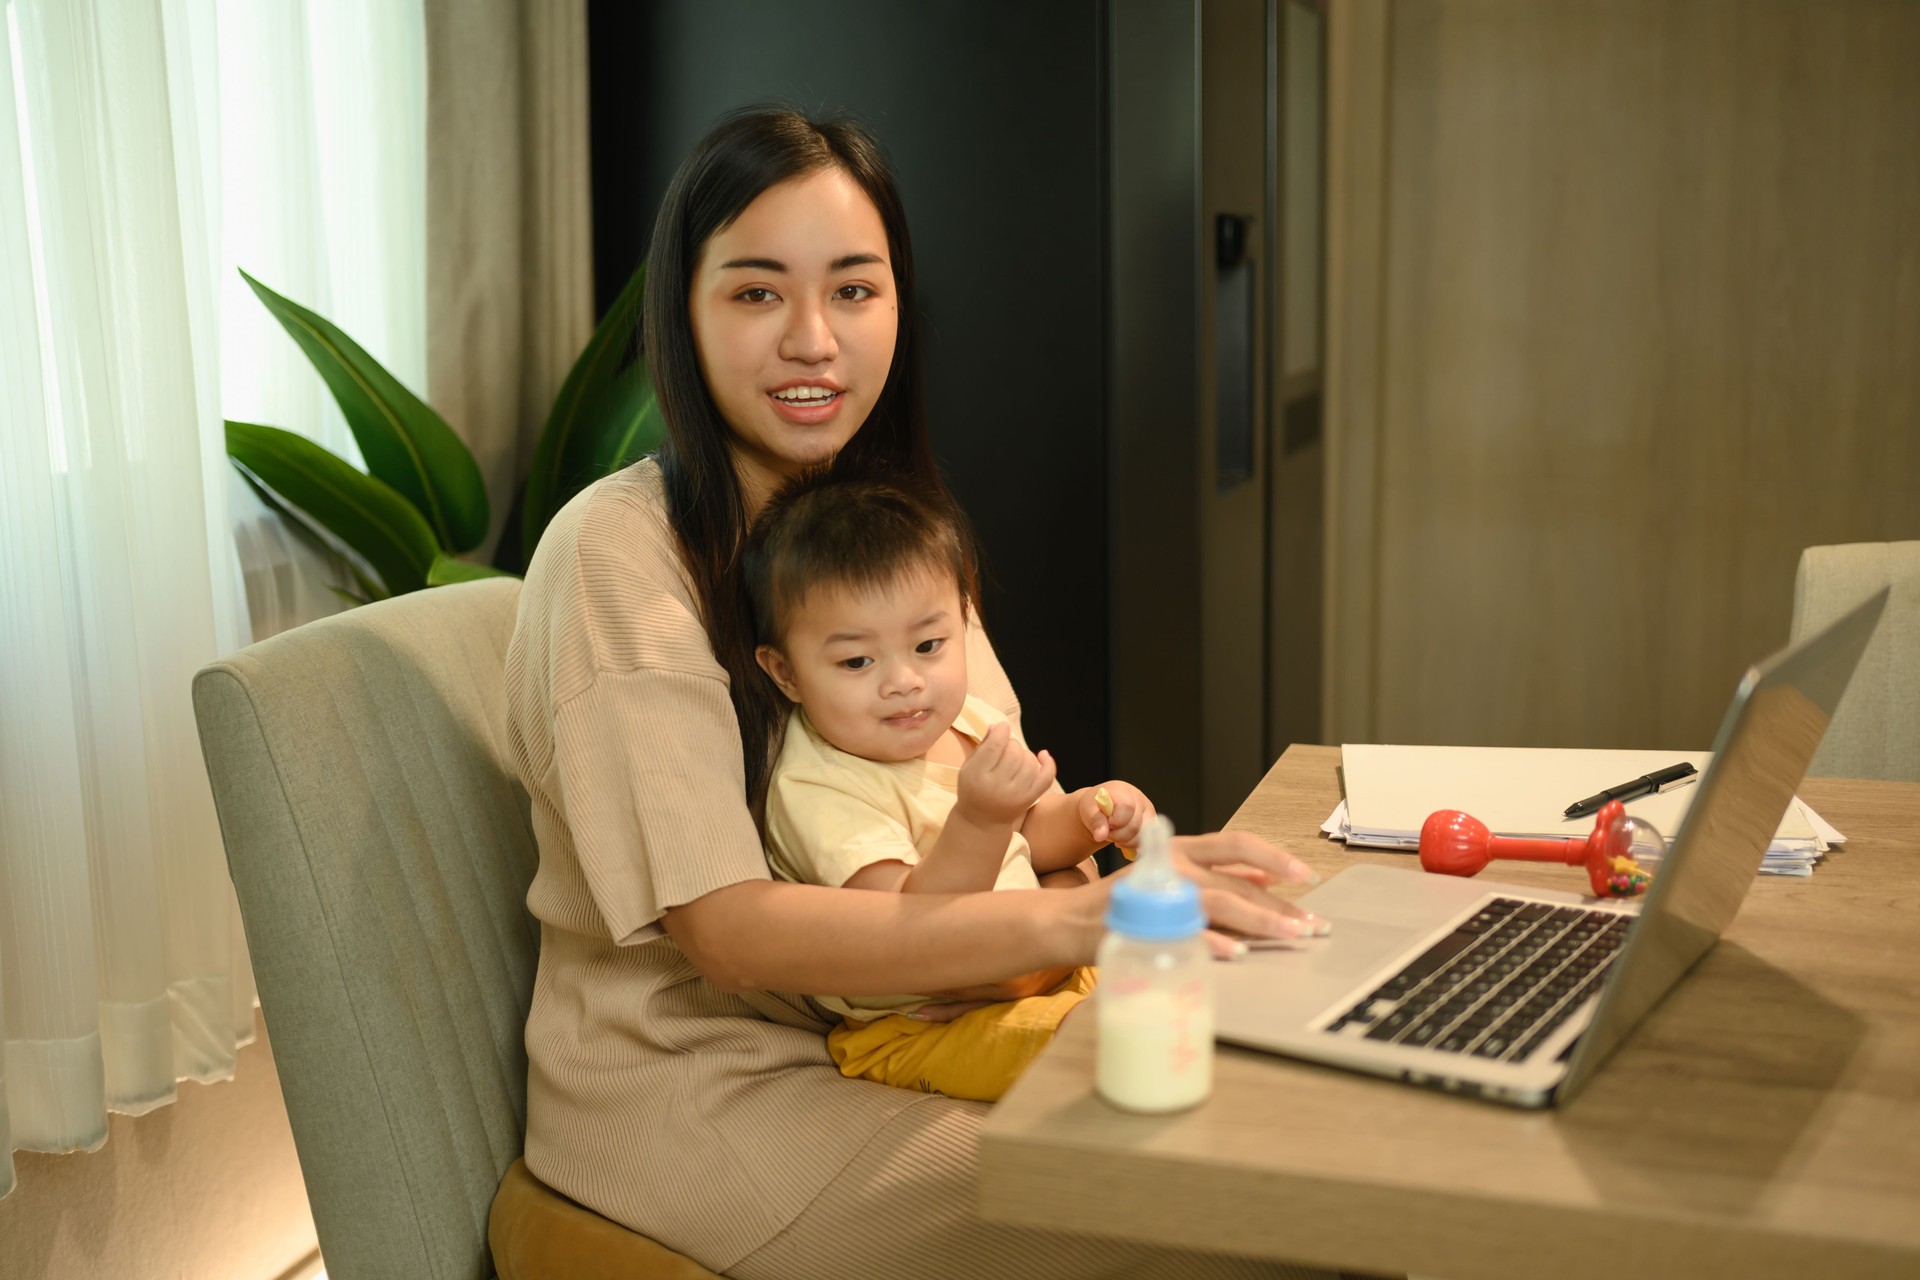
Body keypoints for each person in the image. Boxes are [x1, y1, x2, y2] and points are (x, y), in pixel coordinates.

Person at [504, 105, 1333, 1279]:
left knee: (1300, 1090)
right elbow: (728, 933)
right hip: (709, 1088)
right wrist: (1085, 919)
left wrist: (1145, 871)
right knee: (1256, 1201)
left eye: (854, 289)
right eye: (756, 292)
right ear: (682, 312)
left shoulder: (884, 533)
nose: (812, 339)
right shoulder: (620, 551)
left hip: (927, 1024)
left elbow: (997, 831)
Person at [744, 474, 1153, 1102]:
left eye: (928, 645)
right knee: (1118, 1047)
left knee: (1200, 986)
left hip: (1044, 967)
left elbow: (1034, 838)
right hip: (925, 1023)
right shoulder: (818, 787)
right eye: (857, 661)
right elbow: (913, 932)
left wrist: (1091, 813)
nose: (904, 681)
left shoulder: (967, 722)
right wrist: (980, 819)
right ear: (786, 672)